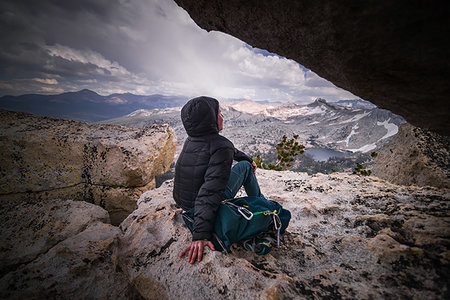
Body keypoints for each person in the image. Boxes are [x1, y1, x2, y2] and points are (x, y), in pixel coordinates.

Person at [173, 96, 264, 264]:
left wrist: (246, 156)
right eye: (219, 112)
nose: (222, 116)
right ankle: (261, 204)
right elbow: (210, 192)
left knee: (245, 162)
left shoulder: (191, 139)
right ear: (210, 119)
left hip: (184, 202)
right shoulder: (221, 145)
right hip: (202, 208)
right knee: (245, 167)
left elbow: (228, 149)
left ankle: (259, 199)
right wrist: (200, 234)